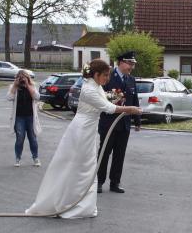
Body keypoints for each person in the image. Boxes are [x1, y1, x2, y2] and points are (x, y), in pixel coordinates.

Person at [26, 59, 142, 218]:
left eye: (108, 75)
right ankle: (70, 204)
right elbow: (108, 108)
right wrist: (129, 109)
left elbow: (103, 101)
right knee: (81, 167)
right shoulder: (88, 89)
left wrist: (114, 98)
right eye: (105, 75)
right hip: (82, 130)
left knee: (85, 167)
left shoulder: (95, 85)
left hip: (89, 130)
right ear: (96, 74)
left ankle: (79, 204)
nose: (107, 79)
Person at [97, 51, 141, 193]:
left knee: (119, 155)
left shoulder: (131, 79)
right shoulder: (107, 78)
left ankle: (115, 182)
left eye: (133, 64)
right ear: (121, 62)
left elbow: (134, 100)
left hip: (124, 124)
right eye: (129, 64)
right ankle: (98, 182)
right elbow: (101, 100)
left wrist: (137, 121)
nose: (131, 67)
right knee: (104, 153)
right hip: (108, 123)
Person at [7, 70, 41, 167]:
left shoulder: (32, 86)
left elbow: (37, 97)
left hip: (30, 117)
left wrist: (28, 85)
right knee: (20, 139)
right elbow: (9, 97)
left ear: (27, 78)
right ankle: (17, 158)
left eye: (23, 78)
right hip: (19, 117)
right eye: (20, 78)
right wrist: (15, 85)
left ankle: (35, 158)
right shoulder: (14, 88)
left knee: (33, 138)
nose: (22, 80)